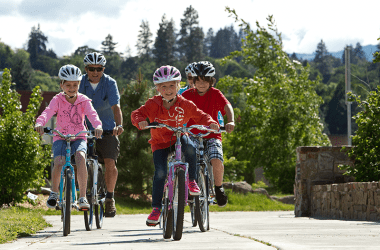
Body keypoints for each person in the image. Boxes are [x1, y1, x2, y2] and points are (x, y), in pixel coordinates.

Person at [131, 65, 219, 226]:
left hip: (179, 137)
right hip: (160, 143)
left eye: (172, 85)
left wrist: (211, 122)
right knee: (160, 173)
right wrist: (140, 121)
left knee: (191, 149)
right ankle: (156, 208)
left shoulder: (184, 103)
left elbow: (201, 115)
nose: (168, 89)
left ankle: (191, 181)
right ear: (157, 88)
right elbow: (137, 113)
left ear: (179, 85)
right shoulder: (153, 103)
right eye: (163, 86)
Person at [35, 64, 103, 210]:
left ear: (79, 84)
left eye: (75, 85)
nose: (71, 88)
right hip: (60, 136)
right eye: (68, 85)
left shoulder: (84, 100)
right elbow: (47, 112)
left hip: (79, 136)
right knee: (59, 161)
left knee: (80, 158)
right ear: (61, 85)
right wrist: (40, 123)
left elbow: (92, 115)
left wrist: (97, 126)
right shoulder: (57, 100)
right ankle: (53, 193)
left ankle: (83, 197)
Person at [182, 61, 235, 207]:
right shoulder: (187, 95)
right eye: (198, 80)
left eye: (205, 80)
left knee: (216, 158)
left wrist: (230, 121)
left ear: (211, 81)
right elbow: (176, 109)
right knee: (187, 157)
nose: (201, 84)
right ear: (193, 81)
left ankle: (218, 188)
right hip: (192, 133)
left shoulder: (216, 94)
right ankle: (189, 187)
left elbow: (227, 106)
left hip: (212, 134)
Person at [79, 52, 123, 217]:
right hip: (83, 128)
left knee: (110, 163)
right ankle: (82, 194)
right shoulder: (80, 83)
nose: (95, 72)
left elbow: (116, 107)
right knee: (79, 159)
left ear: (103, 69)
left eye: (99, 69)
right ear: (86, 69)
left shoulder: (110, 83)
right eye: (91, 69)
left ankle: (110, 198)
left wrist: (119, 125)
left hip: (106, 128)